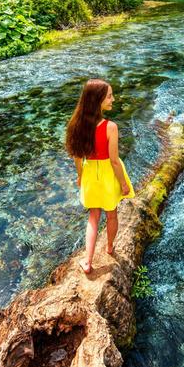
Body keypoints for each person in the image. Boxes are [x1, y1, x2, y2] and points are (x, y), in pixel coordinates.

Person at [66, 78, 135, 274]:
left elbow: (77, 158)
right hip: (107, 175)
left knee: (93, 217)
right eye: (110, 96)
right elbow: (114, 161)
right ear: (98, 100)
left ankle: (87, 262)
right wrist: (123, 183)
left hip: (89, 173)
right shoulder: (110, 127)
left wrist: (80, 177)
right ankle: (110, 247)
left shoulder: (77, 124)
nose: (113, 99)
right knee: (111, 214)